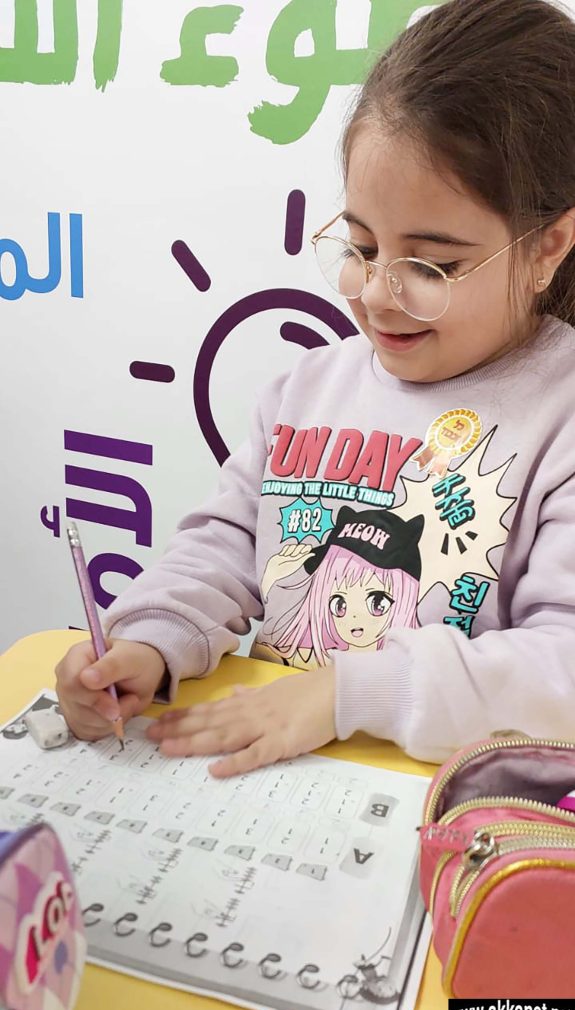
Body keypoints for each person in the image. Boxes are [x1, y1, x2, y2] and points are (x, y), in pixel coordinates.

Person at [56, 0, 575, 777]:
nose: (373, 293)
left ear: (547, 246)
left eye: (431, 265)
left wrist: (347, 693)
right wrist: (147, 640)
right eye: (360, 247)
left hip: (437, 808)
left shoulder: (559, 415)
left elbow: (562, 671)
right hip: (272, 787)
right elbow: (225, 545)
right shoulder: (307, 386)